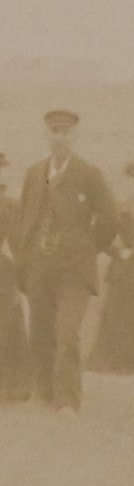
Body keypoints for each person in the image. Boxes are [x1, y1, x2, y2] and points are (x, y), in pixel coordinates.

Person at [15, 109, 119, 412]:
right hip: (38, 267)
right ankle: (42, 395)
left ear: (75, 136)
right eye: (54, 132)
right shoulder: (35, 173)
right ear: (46, 135)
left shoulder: (89, 174)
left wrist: (88, 247)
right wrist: (26, 256)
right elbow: (25, 216)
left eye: (65, 132)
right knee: (40, 332)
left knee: (68, 333)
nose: (59, 138)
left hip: (73, 270)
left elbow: (110, 220)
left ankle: (68, 402)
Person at [87, 161, 134, 374]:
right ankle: (112, 362)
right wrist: (118, 252)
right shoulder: (117, 208)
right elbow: (101, 239)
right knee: (115, 315)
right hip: (121, 270)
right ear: (128, 183)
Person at [0, 153, 31, 401]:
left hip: (3, 271)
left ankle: (11, 383)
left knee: (8, 322)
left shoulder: (9, 205)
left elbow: (18, 242)